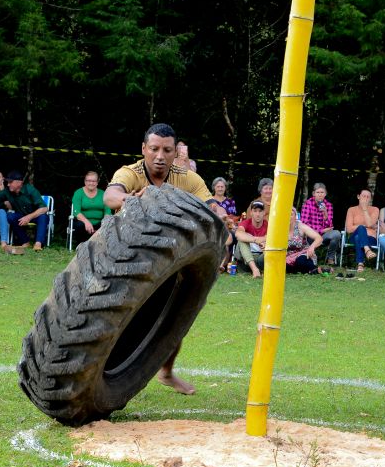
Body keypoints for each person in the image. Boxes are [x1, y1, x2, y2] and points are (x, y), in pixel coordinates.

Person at [104, 123, 224, 396]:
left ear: (175, 152)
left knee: (174, 320)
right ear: (144, 149)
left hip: (168, 261)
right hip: (125, 257)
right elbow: (110, 196)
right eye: (154, 149)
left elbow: (211, 206)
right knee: (121, 317)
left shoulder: (187, 178)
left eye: (167, 150)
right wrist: (132, 200)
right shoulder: (130, 173)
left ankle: (167, 373)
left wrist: (217, 214)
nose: (160, 155)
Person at [0, 171, 49, 253]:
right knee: (10, 216)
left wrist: (29, 217)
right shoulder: (7, 191)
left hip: (35, 215)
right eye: (8, 182)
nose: (8, 184)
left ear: (19, 183)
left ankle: (38, 244)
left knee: (44, 217)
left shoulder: (30, 190)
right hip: (21, 215)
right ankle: (25, 242)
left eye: (10, 182)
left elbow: (44, 208)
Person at [299, 182, 341, 268]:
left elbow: (330, 226)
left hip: (324, 236)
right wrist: (320, 230)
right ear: (313, 193)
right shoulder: (307, 204)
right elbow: (304, 223)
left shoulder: (328, 205)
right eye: (318, 192)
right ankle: (311, 258)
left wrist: (325, 213)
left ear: (325, 194)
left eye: (322, 192)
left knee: (336, 234)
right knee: (311, 233)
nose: (320, 195)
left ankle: (330, 258)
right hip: (311, 236)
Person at [71, 171, 111, 244]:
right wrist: (86, 222)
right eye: (89, 181)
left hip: (99, 223)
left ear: (97, 182)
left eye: (93, 181)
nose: (91, 183)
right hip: (83, 223)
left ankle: (99, 242)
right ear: (85, 181)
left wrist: (104, 224)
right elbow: (76, 211)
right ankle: (82, 244)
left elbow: (107, 211)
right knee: (79, 225)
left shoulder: (103, 194)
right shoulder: (78, 193)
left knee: (109, 224)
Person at [344, 188, 379, 271]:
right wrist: (363, 226)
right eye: (363, 196)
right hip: (353, 236)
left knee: (358, 238)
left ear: (370, 199)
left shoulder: (375, 209)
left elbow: (370, 224)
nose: (365, 198)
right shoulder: (351, 210)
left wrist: (365, 209)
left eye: (368, 197)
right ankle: (367, 250)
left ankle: (360, 264)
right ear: (358, 196)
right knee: (361, 228)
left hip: (370, 238)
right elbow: (349, 229)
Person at [234, 200, 268, 277]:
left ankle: (264, 270)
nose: (258, 214)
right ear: (251, 213)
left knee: (269, 244)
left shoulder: (267, 224)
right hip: (245, 261)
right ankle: (254, 269)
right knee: (241, 240)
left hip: (260, 259)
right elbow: (238, 234)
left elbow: (270, 238)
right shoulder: (246, 223)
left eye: (260, 211)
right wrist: (256, 240)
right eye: (255, 211)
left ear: (264, 213)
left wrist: (264, 241)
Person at [285, 207, 323, 273]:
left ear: (295, 216)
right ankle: (308, 270)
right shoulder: (280, 228)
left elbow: (319, 238)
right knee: (283, 266)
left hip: (303, 254)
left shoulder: (301, 226)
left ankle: (314, 269)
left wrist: (312, 247)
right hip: (288, 256)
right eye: (286, 214)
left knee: (300, 261)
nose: (288, 216)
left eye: (291, 214)